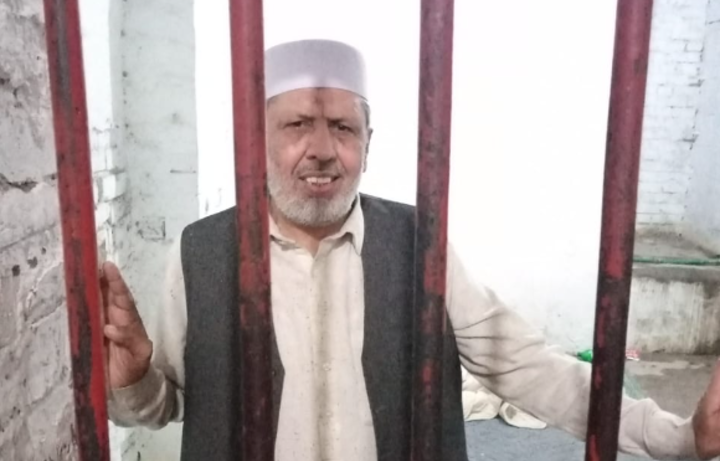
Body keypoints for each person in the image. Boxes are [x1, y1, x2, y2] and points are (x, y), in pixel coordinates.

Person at [102, 39, 720, 461]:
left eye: (343, 128)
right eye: (296, 125)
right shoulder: (202, 252)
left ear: (368, 144)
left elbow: (526, 367)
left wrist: (677, 438)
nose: (322, 150)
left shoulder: (420, 244)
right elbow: (170, 405)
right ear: (255, 140)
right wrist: (133, 383)